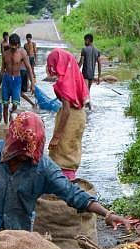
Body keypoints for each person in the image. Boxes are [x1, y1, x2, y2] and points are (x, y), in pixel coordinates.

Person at [0, 112, 130, 238]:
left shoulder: (43, 168)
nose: (23, 158)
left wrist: (107, 214)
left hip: (16, 236)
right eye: (18, 155)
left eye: (27, 156)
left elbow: (71, 192)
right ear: (10, 143)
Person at [46, 48, 89, 180]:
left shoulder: (65, 82)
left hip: (70, 118)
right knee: (72, 151)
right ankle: (69, 183)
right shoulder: (75, 74)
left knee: (62, 154)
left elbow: (66, 110)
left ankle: (64, 186)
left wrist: (56, 137)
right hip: (79, 116)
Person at [0, 33, 35, 125]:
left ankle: (11, 122)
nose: (13, 47)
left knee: (15, 105)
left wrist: (32, 84)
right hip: (6, 80)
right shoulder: (5, 54)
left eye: (15, 46)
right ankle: (5, 126)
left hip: (17, 80)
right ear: (9, 44)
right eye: (11, 45)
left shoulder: (22, 53)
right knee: (5, 104)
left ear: (18, 45)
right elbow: (2, 70)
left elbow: (29, 68)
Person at [78, 33, 103, 109]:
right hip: (91, 75)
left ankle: (87, 107)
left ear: (88, 40)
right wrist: (99, 76)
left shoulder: (84, 49)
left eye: (85, 40)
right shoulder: (97, 51)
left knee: (85, 92)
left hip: (85, 74)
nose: (84, 42)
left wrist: (75, 70)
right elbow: (99, 64)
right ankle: (89, 108)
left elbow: (81, 62)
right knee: (88, 91)